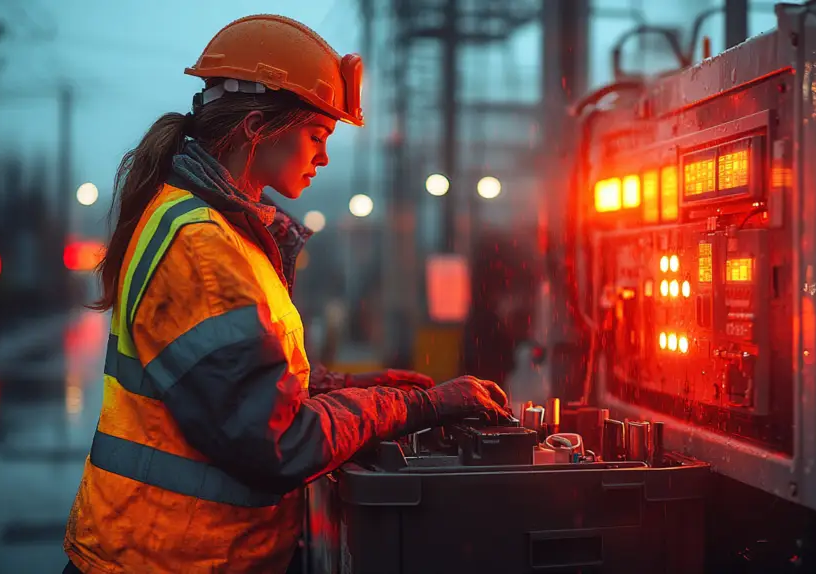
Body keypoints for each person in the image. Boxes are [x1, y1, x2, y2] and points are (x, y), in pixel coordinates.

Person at [62, 14, 510, 574]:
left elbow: (228, 385)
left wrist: (344, 387)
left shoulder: (214, 228)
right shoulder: (203, 249)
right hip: (169, 560)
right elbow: (277, 444)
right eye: (317, 136)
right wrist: (415, 407)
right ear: (256, 127)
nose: (324, 157)